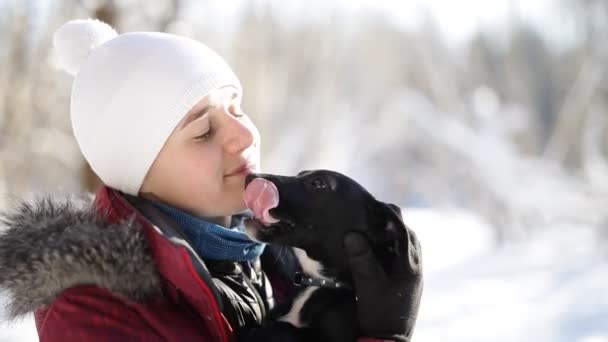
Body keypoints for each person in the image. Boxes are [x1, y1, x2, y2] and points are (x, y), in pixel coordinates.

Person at [0, 19, 421, 341]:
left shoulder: (270, 258)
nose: (244, 135)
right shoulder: (90, 309)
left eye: (237, 109)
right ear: (139, 172)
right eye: (203, 131)